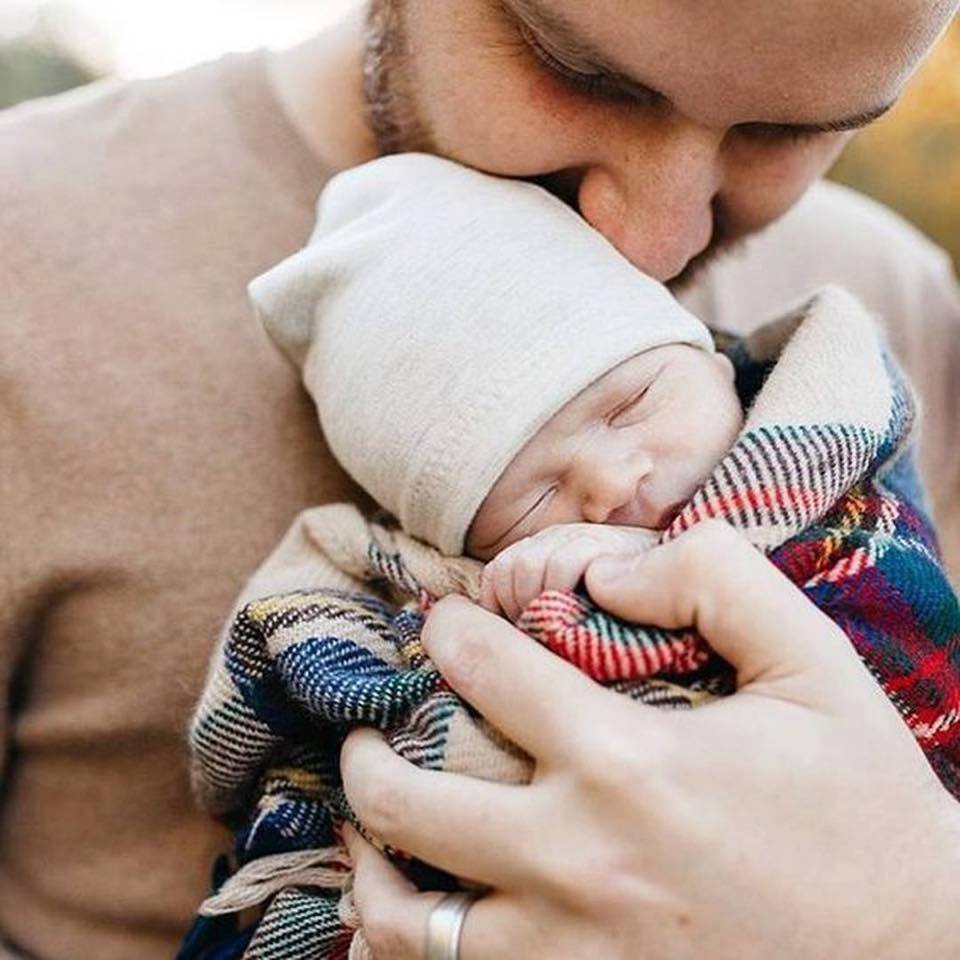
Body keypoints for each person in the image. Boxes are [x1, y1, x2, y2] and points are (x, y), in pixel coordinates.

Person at [1, 0, 959, 956]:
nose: (653, 243)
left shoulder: (890, 295)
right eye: (579, 73)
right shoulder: (28, 258)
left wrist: (912, 913)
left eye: (786, 131)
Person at [182, 152, 958, 958]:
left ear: (716, 364)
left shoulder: (839, 483)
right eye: (530, 495)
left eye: (631, 407)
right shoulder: (446, 593)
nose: (610, 480)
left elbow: (912, 635)